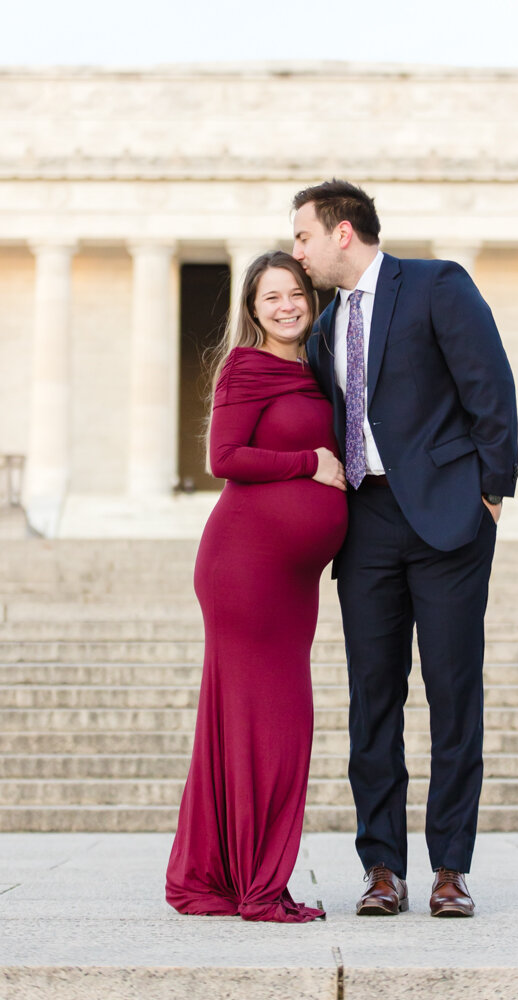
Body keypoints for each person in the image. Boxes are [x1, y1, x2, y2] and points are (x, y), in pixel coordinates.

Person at [292, 180, 518, 918]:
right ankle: (381, 867)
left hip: (450, 520)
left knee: (454, 696)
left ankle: (450, 868)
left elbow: (488, 384)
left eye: (303, 236)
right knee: (372, 700)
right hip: (365, 525)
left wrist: (492, 491)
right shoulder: (326, 328)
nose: (297, 251)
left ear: (343, 233)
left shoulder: (434, 284)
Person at [165, 250, 347, 923]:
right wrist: (310, 463)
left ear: (310, 296)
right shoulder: (246, 366)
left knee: (244, 723)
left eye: (294, 292)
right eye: (270, 297)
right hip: (245, 570)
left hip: (289, 581)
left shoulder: (318, 369)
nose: (285, 306)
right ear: (252, 310)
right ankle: (260, 886)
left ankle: (219, 876)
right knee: (275, 726)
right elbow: (224, 457)